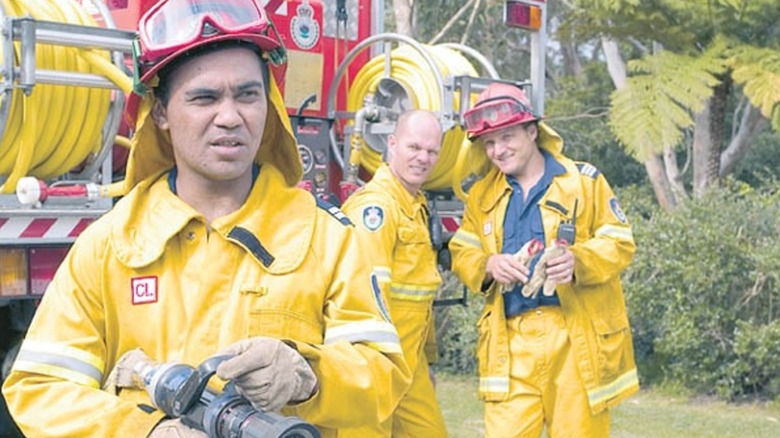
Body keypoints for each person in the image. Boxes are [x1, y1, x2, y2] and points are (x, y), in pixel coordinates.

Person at [1, 1, 410, 436]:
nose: (230, 117)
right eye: (204, 97)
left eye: (248, 95)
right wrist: (145, 432)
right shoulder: (109, 246)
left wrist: (309, 376)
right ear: (160, 113)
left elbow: (383, 374)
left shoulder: (328, 240)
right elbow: (41, 387)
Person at [449, 82, 639, 437]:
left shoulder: (583, 182)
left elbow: (620, 241)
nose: (498, 151)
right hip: (510, 342)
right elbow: (463, 250)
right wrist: (488, 265)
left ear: (532, 131)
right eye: (489, 143)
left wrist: (577, 261)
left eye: (507, 137)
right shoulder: (481, 195)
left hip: (573, 336)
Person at [340, 110, 448, 437]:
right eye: (414, 147)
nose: (423, 158)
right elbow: (362, 298)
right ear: (392, 144)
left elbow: (421, 297)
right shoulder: (376, 209)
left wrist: (424, 361)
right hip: (372, 363)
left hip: (408, 363)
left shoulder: (416, 206)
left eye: (431, 151)